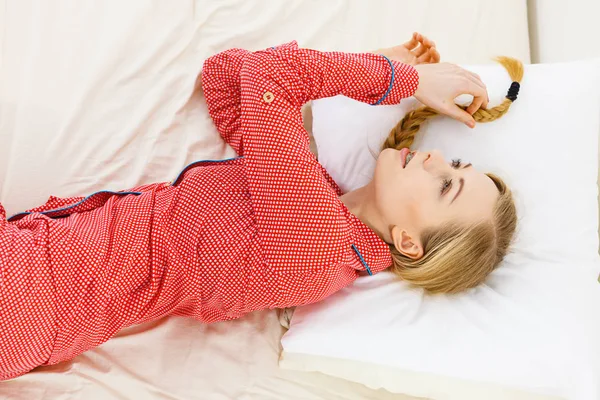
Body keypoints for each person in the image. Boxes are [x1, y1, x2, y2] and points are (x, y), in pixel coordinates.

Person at [0, 33, 516, 380]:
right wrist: (365, 72)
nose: (431, 157)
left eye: (445, 185)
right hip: (34, 258)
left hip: (32, 292)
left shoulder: (315, 243)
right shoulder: (309, 191)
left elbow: (269, 78)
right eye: (454, 162)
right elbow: (228, 78)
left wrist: (402, 80)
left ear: (408, 241)